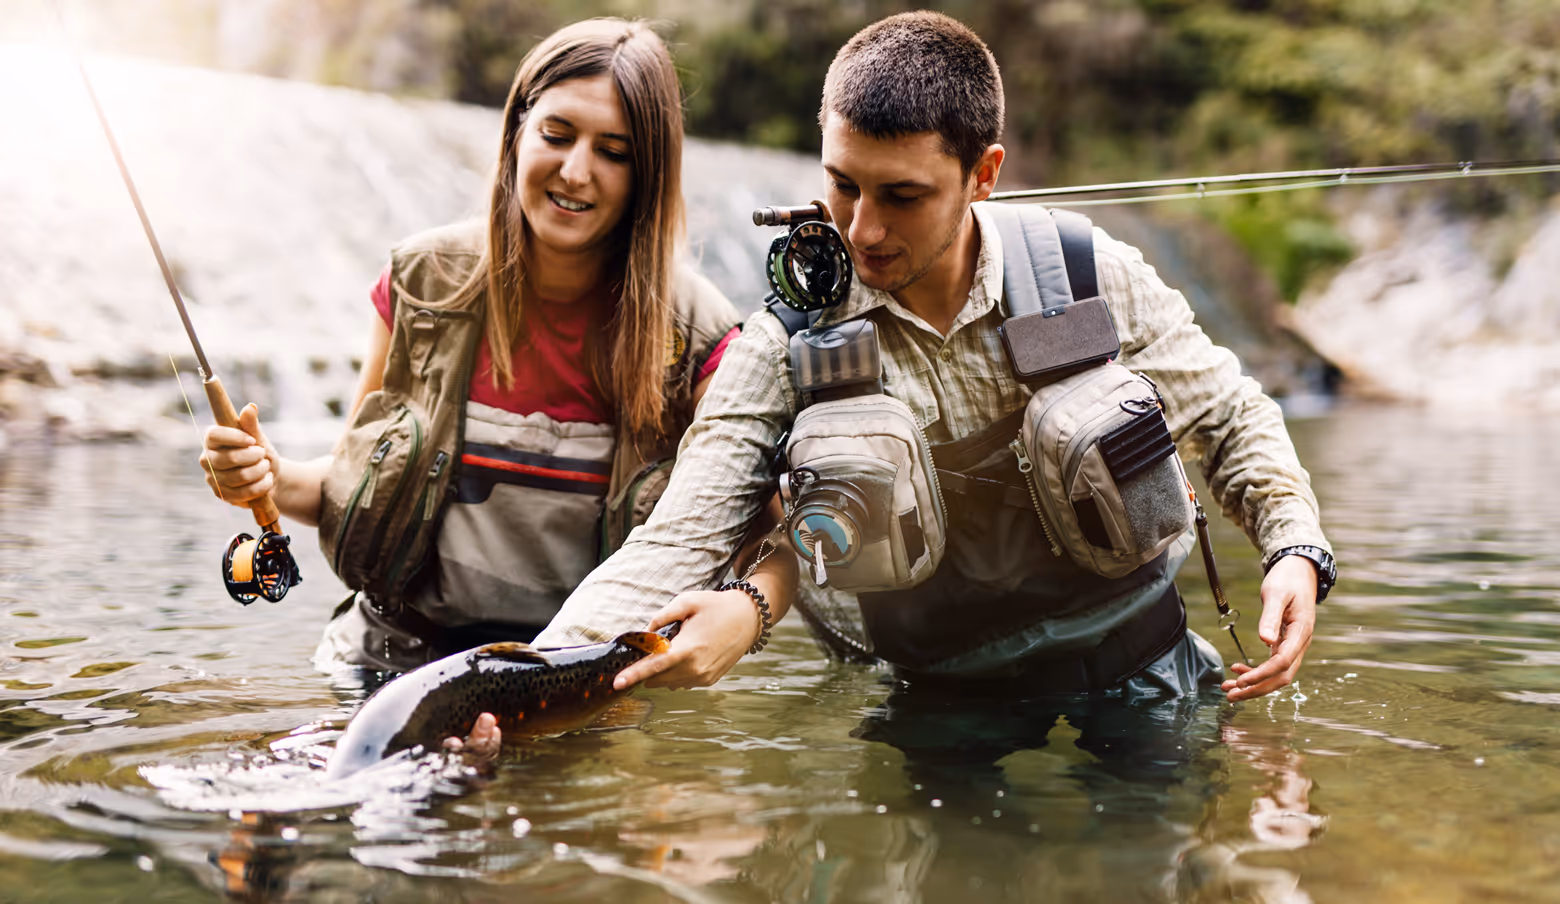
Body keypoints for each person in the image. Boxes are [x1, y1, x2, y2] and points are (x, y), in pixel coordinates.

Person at [537, 11, 1334, 705]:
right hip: (944, 694)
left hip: (1136, 661)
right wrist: (524, 681)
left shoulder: (1091, 274)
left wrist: (1294, 549)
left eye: (902, 196)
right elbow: (678, 541)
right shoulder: (789, 341)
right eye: (842, 185)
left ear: (983, 174)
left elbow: (1228, 417)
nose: (862, 230)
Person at [199, 19, 796, 700]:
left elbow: (779, 531)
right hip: (388, 667)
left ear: (647, 174)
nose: (576, 171)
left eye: (614, 151)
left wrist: (750, 612)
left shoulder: (702, 337)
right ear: (517, 131)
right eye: (557, 134)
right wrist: (266, 478)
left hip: (573, 686)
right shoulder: (421, 281)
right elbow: (348, 479)